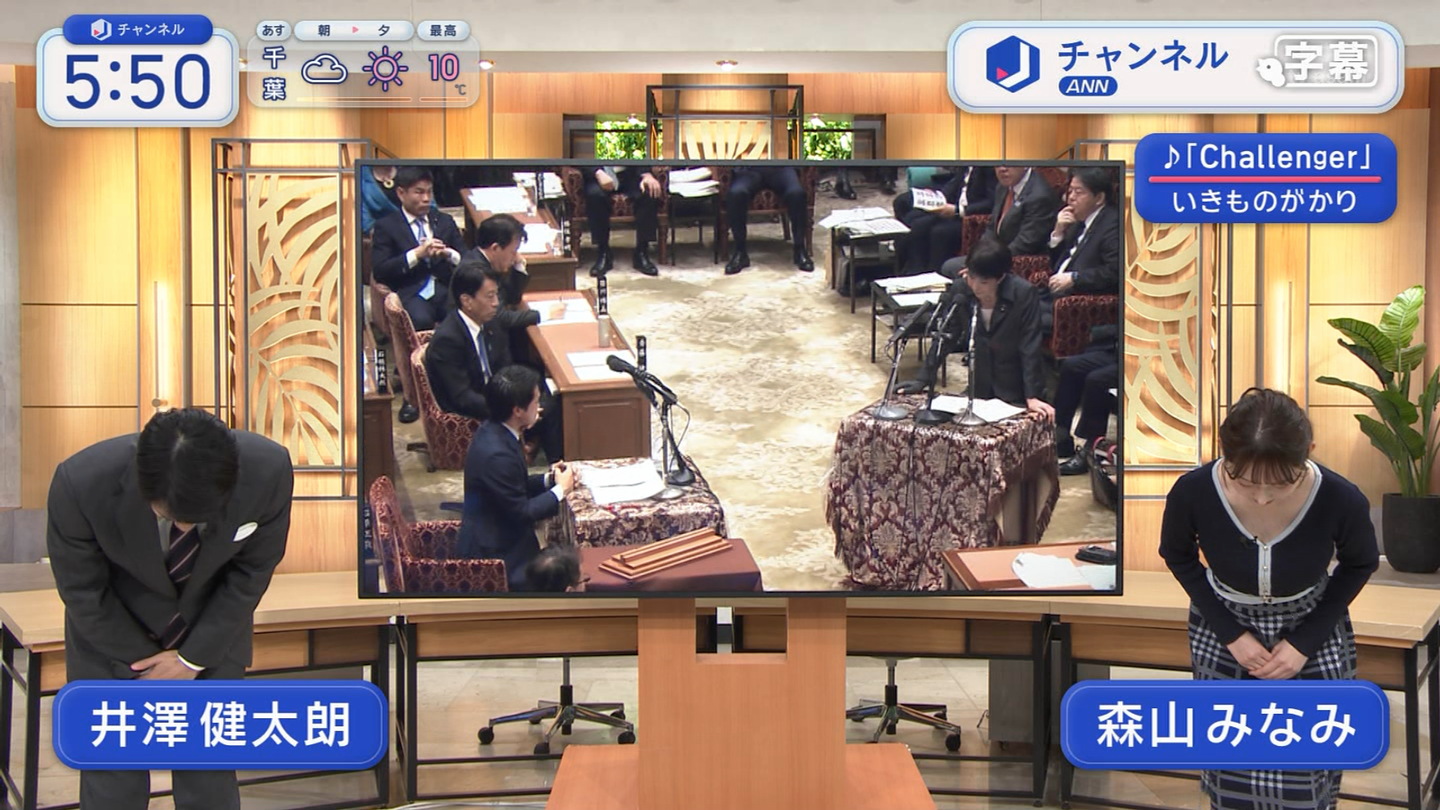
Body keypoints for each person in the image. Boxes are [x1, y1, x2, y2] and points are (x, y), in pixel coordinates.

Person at [46, 408, 294, 810]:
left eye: (196, 519)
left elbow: (251, 572)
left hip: (211, 634)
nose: (183, 529)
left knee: (208, 777)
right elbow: (83, 591)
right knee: (114, 783)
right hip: (113, 638)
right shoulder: (81, 482)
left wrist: (190, 660)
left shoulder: (267, 469)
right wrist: (152, 666)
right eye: (169, 517)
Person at [1159, 388, 1380, 810]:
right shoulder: (1194, 491)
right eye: (1244, 481)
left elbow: (1360, 562)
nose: (1261, 496)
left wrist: (1304, 643)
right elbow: (1177, 555)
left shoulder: (1339, 497)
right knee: (1230, 753)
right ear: (1224, 454)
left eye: (1280, 482)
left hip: (1312, 625)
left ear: (1308, 453)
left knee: (1308, 760)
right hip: (1223, 624)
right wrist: (1231, 634)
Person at [424, 261, 563, 462]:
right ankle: (555, 465)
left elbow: (504, 367)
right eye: (489, 296)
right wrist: (511, 410)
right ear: (467, 301)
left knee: (549, 393)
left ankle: (545, 453)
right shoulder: (448, 340)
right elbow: (462, 397)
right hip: (473, 405)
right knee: (548, 409)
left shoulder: (490, 321)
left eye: (496, 295)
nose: (496, 303)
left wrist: (524, 397)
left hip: (495, 391)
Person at [905, 237, 1054, 417]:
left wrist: (1032, 395)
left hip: (1016, 390)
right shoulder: (961, 290)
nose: (975, 287)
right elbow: (946, 336)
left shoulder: (1023, 293)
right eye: (971, 278)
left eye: (984, 282)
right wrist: (923, 378)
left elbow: (1029, 346)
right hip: (979, 388)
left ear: (1000, 278)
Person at [460, 365, 578, 590]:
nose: (539, 407)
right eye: (535, 401)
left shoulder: (497, 430)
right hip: (497, 551)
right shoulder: (497, 454)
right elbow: (521, 512)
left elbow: (514, 485)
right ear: (517, 410)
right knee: (564, 569)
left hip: (506, 531)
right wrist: (560, 490)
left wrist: (550, 479)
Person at [370, 167, 466, 331]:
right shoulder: (386, 226)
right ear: (401, 193)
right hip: (411, 290)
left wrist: (449, 254)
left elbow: (467, 257)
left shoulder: (444, 221)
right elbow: (380, 270)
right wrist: (416, 254)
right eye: (419, 192)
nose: (426, 198)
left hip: (445, 287)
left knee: (464, 316)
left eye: (429, 192)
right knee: (421, 319)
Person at [892, 165, 997, 274]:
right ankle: (912, 270)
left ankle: (934, 274)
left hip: (971, 216)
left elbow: (991, 203)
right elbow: (957, 182)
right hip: (954, 207)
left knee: (939, 232)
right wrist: (938, 196)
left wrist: (958, 210)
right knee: (915, 222)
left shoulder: (989, 168)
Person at [1054, 322, 1120, 474]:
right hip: (1118, 349)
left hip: (1143, 355)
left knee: (1097, 380)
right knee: (1071, 366)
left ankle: (1091, 449)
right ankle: (1062, 436)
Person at [724, 166, 814, 274]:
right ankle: (740, 252)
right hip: (749, 170)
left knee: (796, 193)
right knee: (736, 193)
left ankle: (800, 249)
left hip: (781, 168)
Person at [584, 166, 661, 277]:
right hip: (600, 175)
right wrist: (597, 172)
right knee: (595, 195)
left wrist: (646, 175)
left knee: (648, 193)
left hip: (629, 174)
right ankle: (603, 252)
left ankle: (642, 252)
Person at [987, 164, 1061, 258]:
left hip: (1019, 259)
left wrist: (991, 260)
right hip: (999, 252)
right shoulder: (1003, 186)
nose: (1002, 169)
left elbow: (1025, 243)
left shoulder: (1039, 196)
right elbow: (991, 227)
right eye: (998, 163)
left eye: (1009, 162)